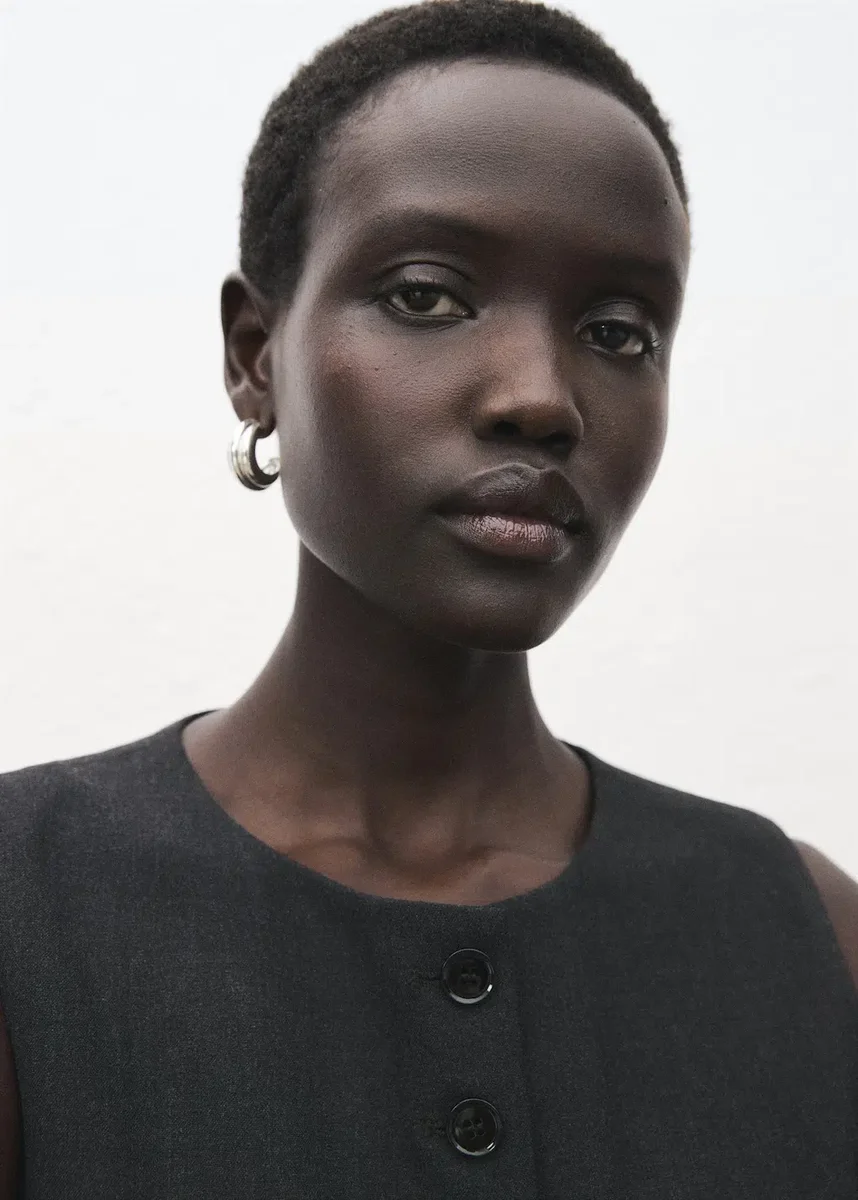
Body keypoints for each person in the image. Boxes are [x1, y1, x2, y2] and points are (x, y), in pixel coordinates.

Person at [1, 0, 856, 1194]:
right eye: (426, 296)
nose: (541, 398)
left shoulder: (807, 936)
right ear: (256, 357)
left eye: (619, 331)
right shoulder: (30, 907)